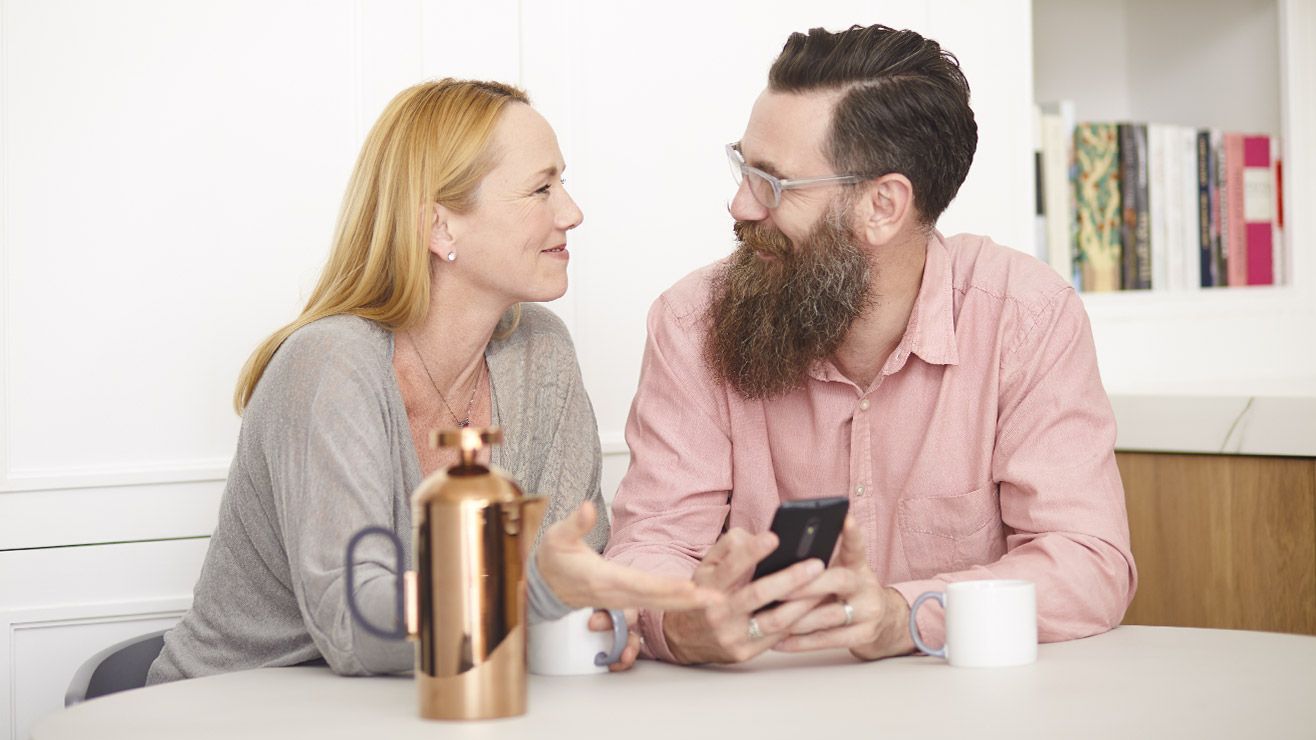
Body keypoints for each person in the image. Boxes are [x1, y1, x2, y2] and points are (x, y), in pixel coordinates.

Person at [148, 79, 714, 684]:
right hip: (232, 711)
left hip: (425, 710)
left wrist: (613, 615)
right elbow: (353, 629)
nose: (572, 212)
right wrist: (543, 598)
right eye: (541, 188)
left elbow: (573, 572)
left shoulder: (541, 353)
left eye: (563, 183)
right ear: (440, 226)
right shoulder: (330, 367)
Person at [604, 24, 1137, 665]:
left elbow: (1087, 563)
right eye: (742, 168)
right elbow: (648, 545)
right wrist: (678, 622)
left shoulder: (1026, 319)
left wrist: (907, 615)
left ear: (883, 205)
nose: (741, 204)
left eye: (771, 183)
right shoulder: (692, 323)